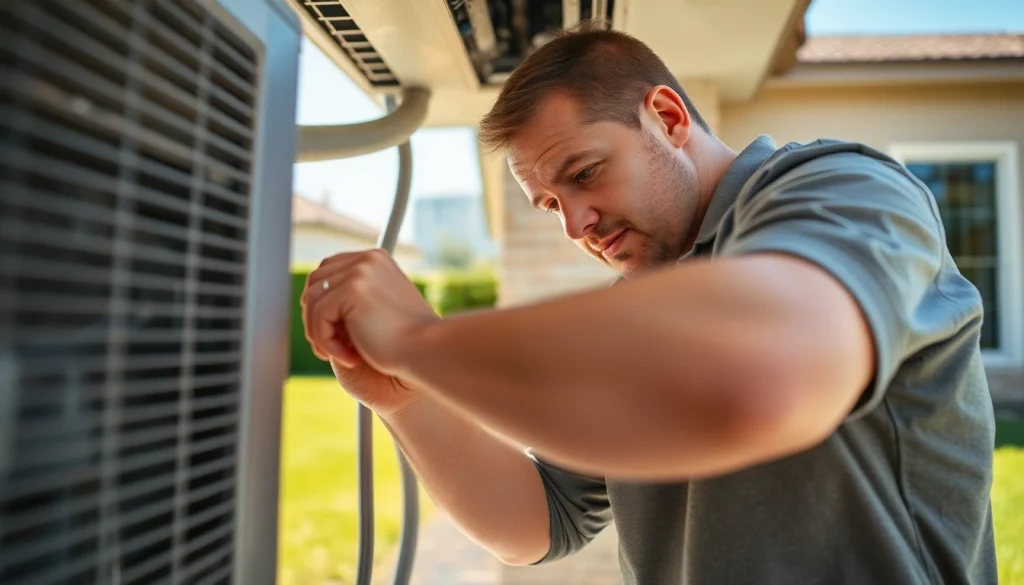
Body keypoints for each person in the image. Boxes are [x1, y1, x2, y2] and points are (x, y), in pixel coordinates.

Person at [299, 24, 997, 585]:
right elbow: (537, 523)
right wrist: (406, 398)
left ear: (665, 117)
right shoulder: (643, 306)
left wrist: (417, 339)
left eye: (585, 174)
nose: (575, 225)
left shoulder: (844, 187)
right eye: (550, 204)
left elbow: (761, 371)